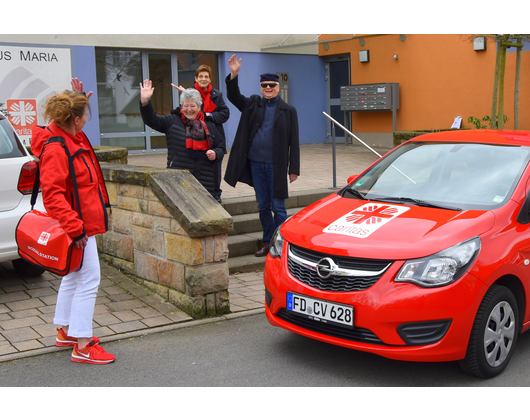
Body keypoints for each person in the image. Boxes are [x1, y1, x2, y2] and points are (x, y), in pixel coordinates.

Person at [31, 78, 115, 364]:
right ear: (75, 119)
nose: (85, 122)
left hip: (81, 222)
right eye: (84, 116)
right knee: (89, 279)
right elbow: (53, 195)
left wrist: (77, 98)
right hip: (78, 225)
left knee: (73, 275)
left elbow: (77, 142)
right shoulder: (57, 146)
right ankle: (82, 344)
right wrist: (75, 227)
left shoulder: (69, 136)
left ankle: (65, 330)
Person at [224, 54, 300, 257]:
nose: (268, 88)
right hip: (256, 164)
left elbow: (294, 141)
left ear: (278, 87)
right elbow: (233, 97)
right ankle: (268, 242)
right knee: (263, 206)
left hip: (276, 166)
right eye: (264, 85)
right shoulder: (252, 105)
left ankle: (280, 245)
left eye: (272, 85)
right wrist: (234, 74)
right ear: (260, 87)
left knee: (279, 207)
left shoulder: (288, 110)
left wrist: (294, 169)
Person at [140, 81, 226, 198]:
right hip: (178, 179)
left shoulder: (209, 125)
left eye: (192, 106)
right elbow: (152, 120)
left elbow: (220, 146)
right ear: (181, 106)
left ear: (199, 107)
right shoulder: (172, 120)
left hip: (205, 182)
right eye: (186, 105)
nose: (189, 109)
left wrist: (216, 153)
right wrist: (145, 103)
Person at [172, 65, 229, 203]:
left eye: (206, 76)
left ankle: (215, 193)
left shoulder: (217, 95)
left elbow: (225, 114)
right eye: (201, 76)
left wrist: (208, 115)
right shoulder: (189, 94)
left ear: (210, 79)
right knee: (194, 163)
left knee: (214, 164)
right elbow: (187, 111)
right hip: (193, 133)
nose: (203, 79)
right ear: (196, 78)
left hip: (212, 134)